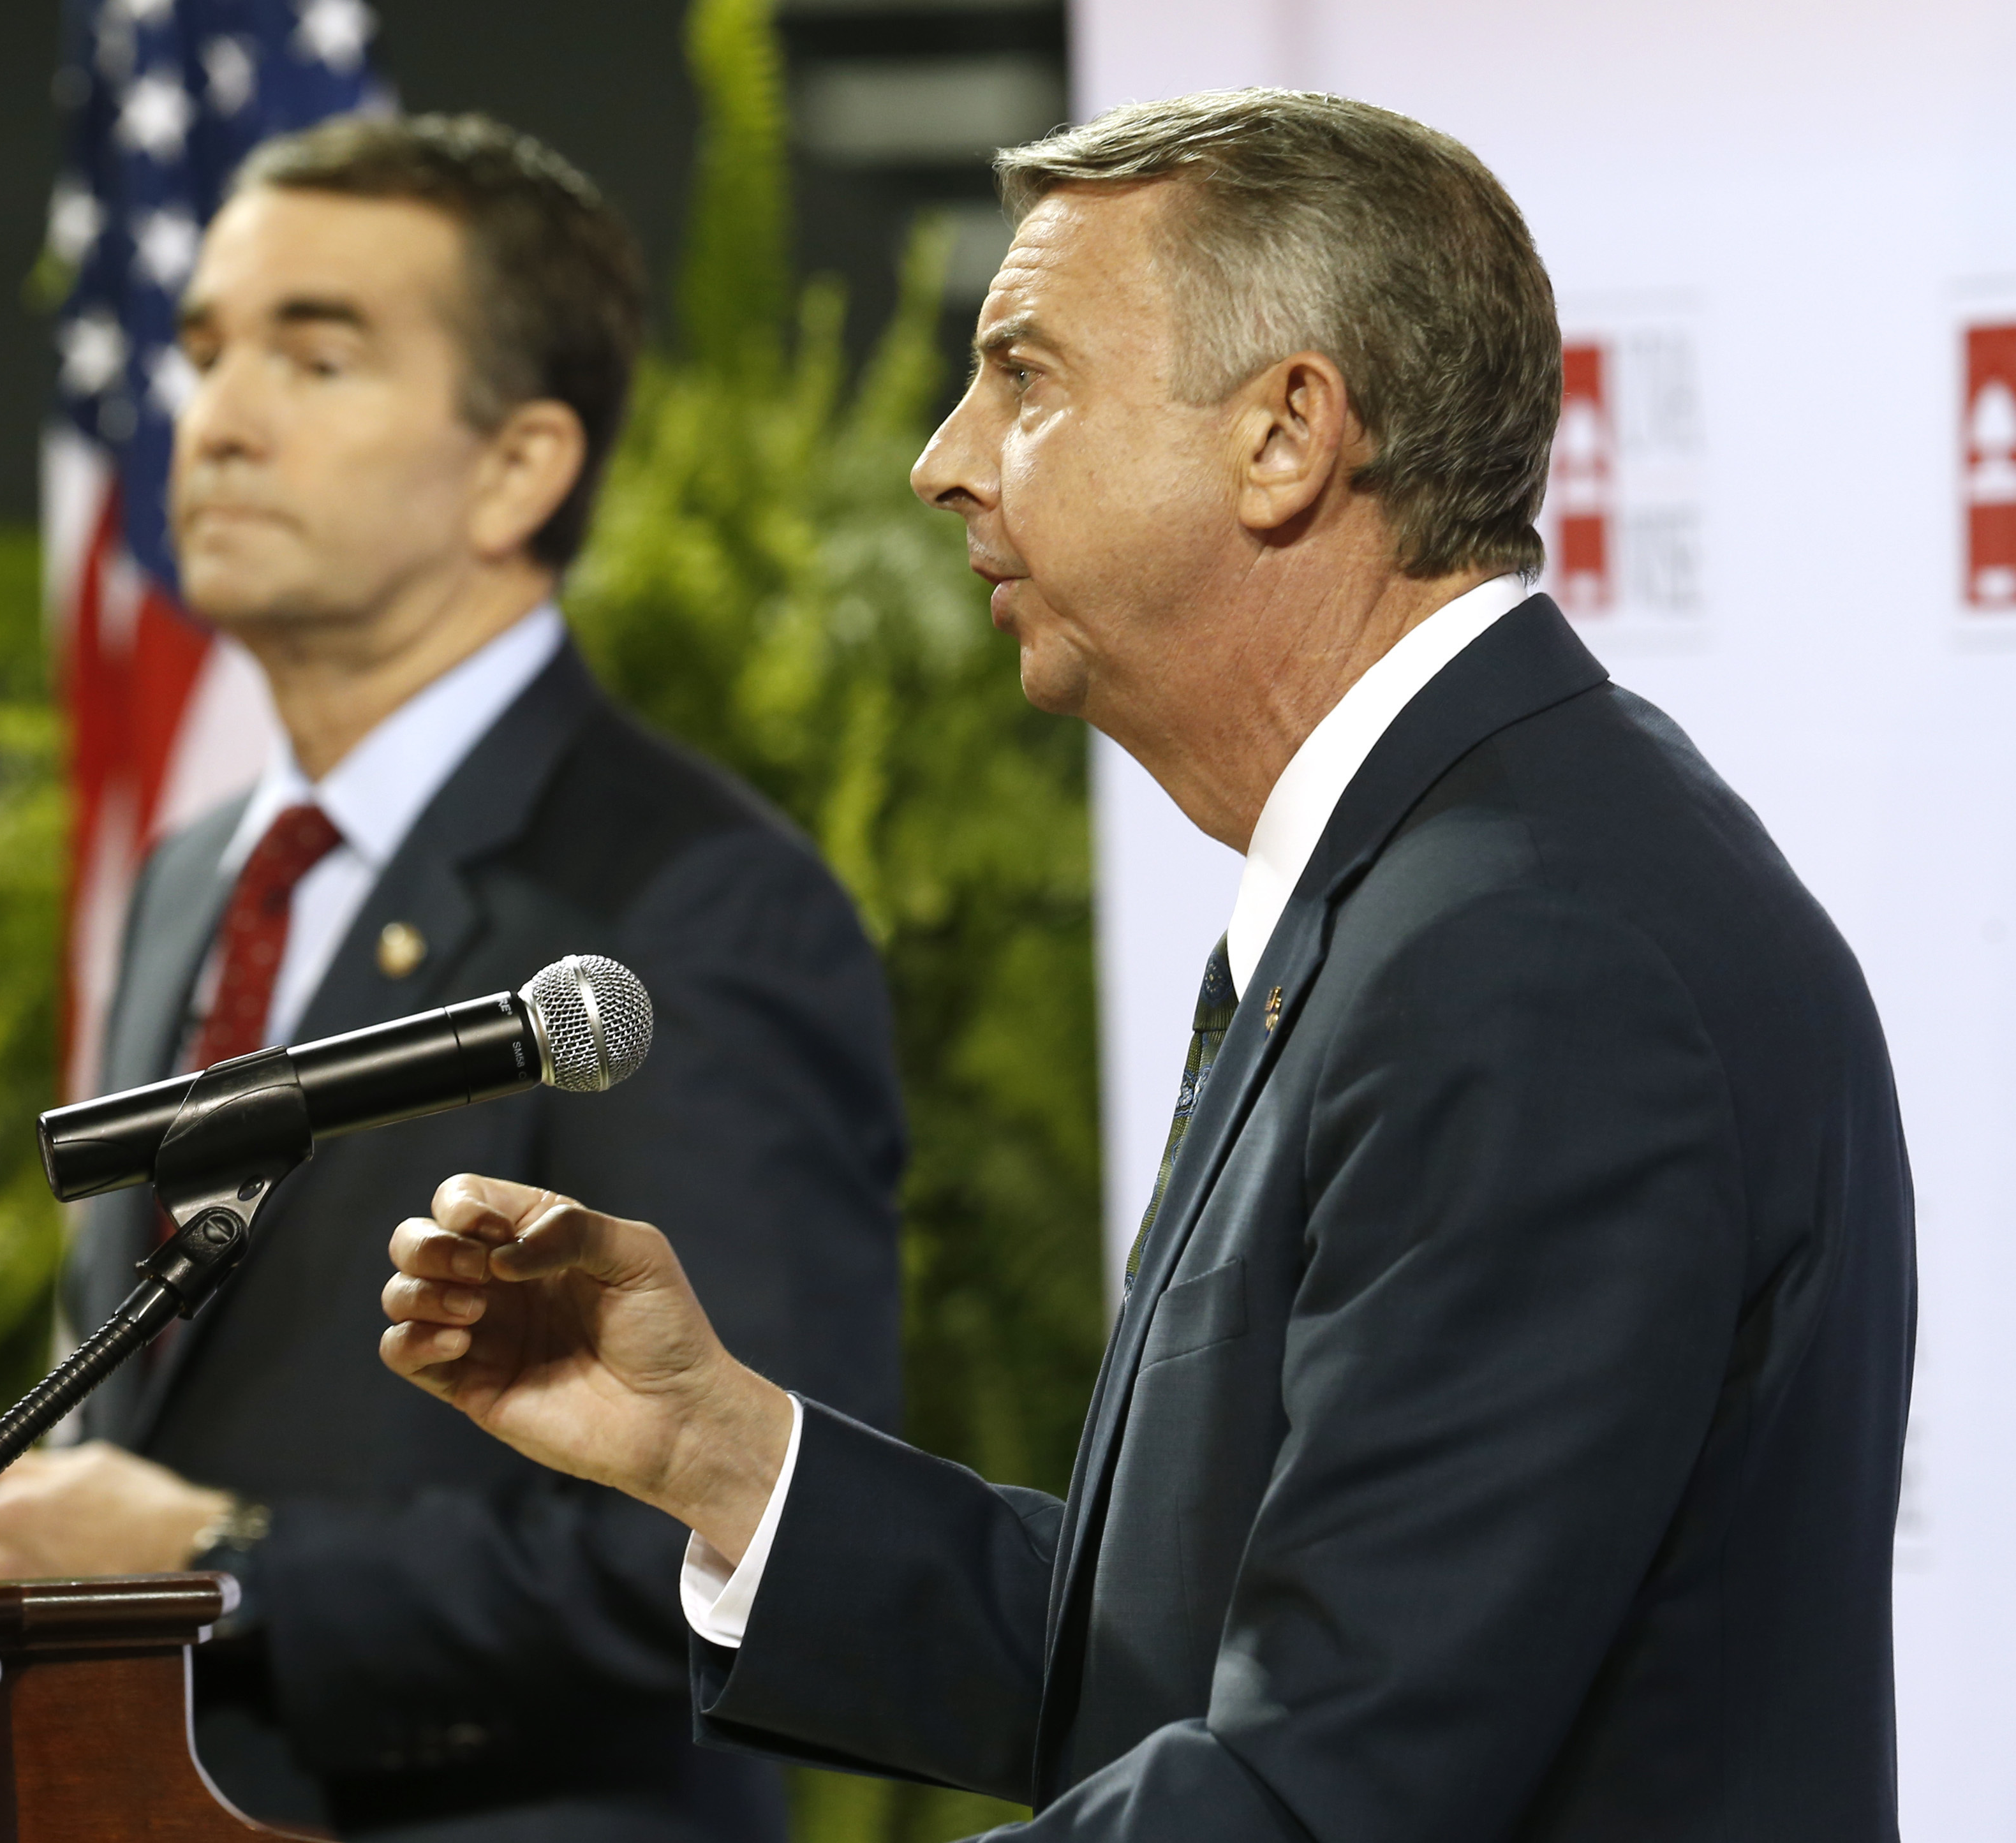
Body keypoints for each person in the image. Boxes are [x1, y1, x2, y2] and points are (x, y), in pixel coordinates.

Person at [379, 89, 1915, 1842]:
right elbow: (1204, 1658)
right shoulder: (1451, 876)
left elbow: (1323, 1783)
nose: (941, 459)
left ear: (1285, 436)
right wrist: (715, 1450)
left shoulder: (1529, 956)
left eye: (1023, 378)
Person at [0, 114, 905, 1842]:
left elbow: (747, 1533)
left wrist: (219, 1563)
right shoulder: (195, 876)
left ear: (518, 467)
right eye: (206, 353)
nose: (218, 420)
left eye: (317, 358)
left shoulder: (694, 905)